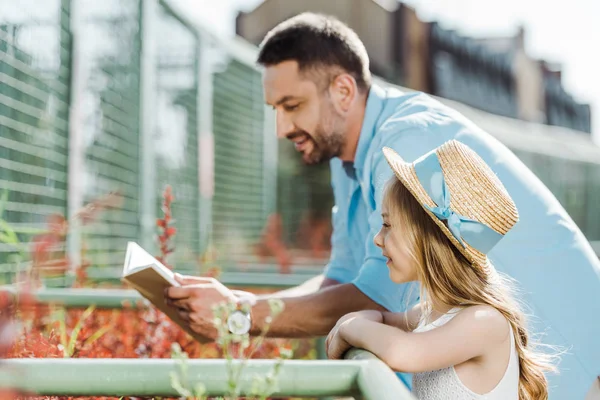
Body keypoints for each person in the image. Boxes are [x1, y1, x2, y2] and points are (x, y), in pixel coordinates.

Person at [164, 12, 600, 398]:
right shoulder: (347, 157)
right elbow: (341, 280)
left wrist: (239, 316)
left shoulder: (407, 142)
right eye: (275, 109)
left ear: (343, 90)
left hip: (577, 369)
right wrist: (237, 303)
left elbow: (373, 294)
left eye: (292, 106)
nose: (282, 126)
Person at [325, 140, 556, 399]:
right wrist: (352, 322)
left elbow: (401, 351)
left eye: (388, 225)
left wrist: (348, 330)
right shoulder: (430, 314)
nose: (377, 238)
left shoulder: (485, 323)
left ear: (427, 238)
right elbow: (378, 320)